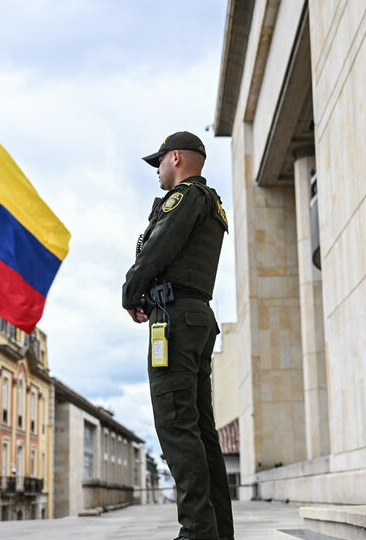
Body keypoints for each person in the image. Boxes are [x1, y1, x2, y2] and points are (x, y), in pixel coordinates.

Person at [122, 131, 234, 540]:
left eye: (160, 163)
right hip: (196, 317)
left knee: (176, 427)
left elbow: (160, 246)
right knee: (200, 433)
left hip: (174, 322)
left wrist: (131, 290)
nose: (157, 172)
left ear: (176, 159)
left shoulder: (187, 197)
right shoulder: (212, 203)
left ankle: (196, 533)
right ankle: (216, 533)